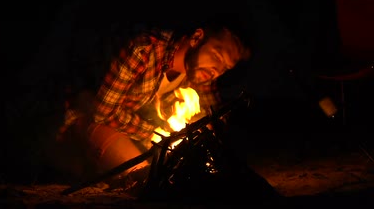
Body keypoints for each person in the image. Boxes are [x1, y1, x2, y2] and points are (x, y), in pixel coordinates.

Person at [56, 19, 252, 190]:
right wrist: (155, 134)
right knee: (146, 180)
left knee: (181, 175)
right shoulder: (144, 49)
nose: (216, 70)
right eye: (217, 56)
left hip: (134, 133)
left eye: (225, 68)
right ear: (196, 38)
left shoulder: (203, 75)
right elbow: (102, 112)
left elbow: (214, 118)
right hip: (88, 118)